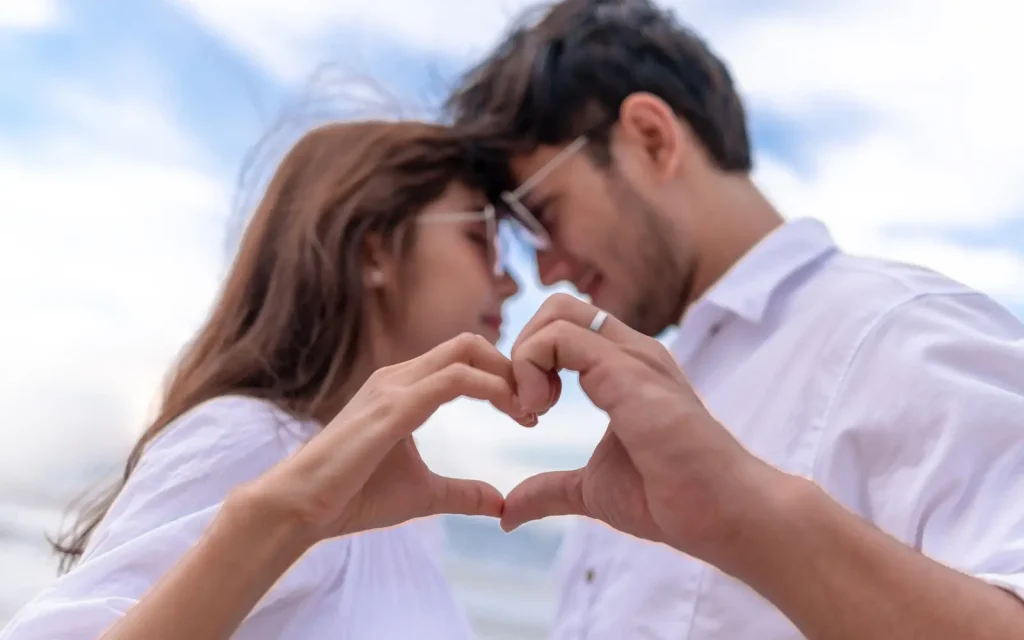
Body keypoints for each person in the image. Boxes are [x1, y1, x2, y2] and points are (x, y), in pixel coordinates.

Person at [444, 0, 1024, 637]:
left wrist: (748, 517)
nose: (546, 269)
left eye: (542, 215)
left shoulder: (902, 336)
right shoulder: (661, 389)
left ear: (651, 138)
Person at [0, 120, 546, 640]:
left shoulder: (400, 507)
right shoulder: (257, 438)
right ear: (374, 249)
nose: (511, 283)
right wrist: (278, 518)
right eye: (483, 238)